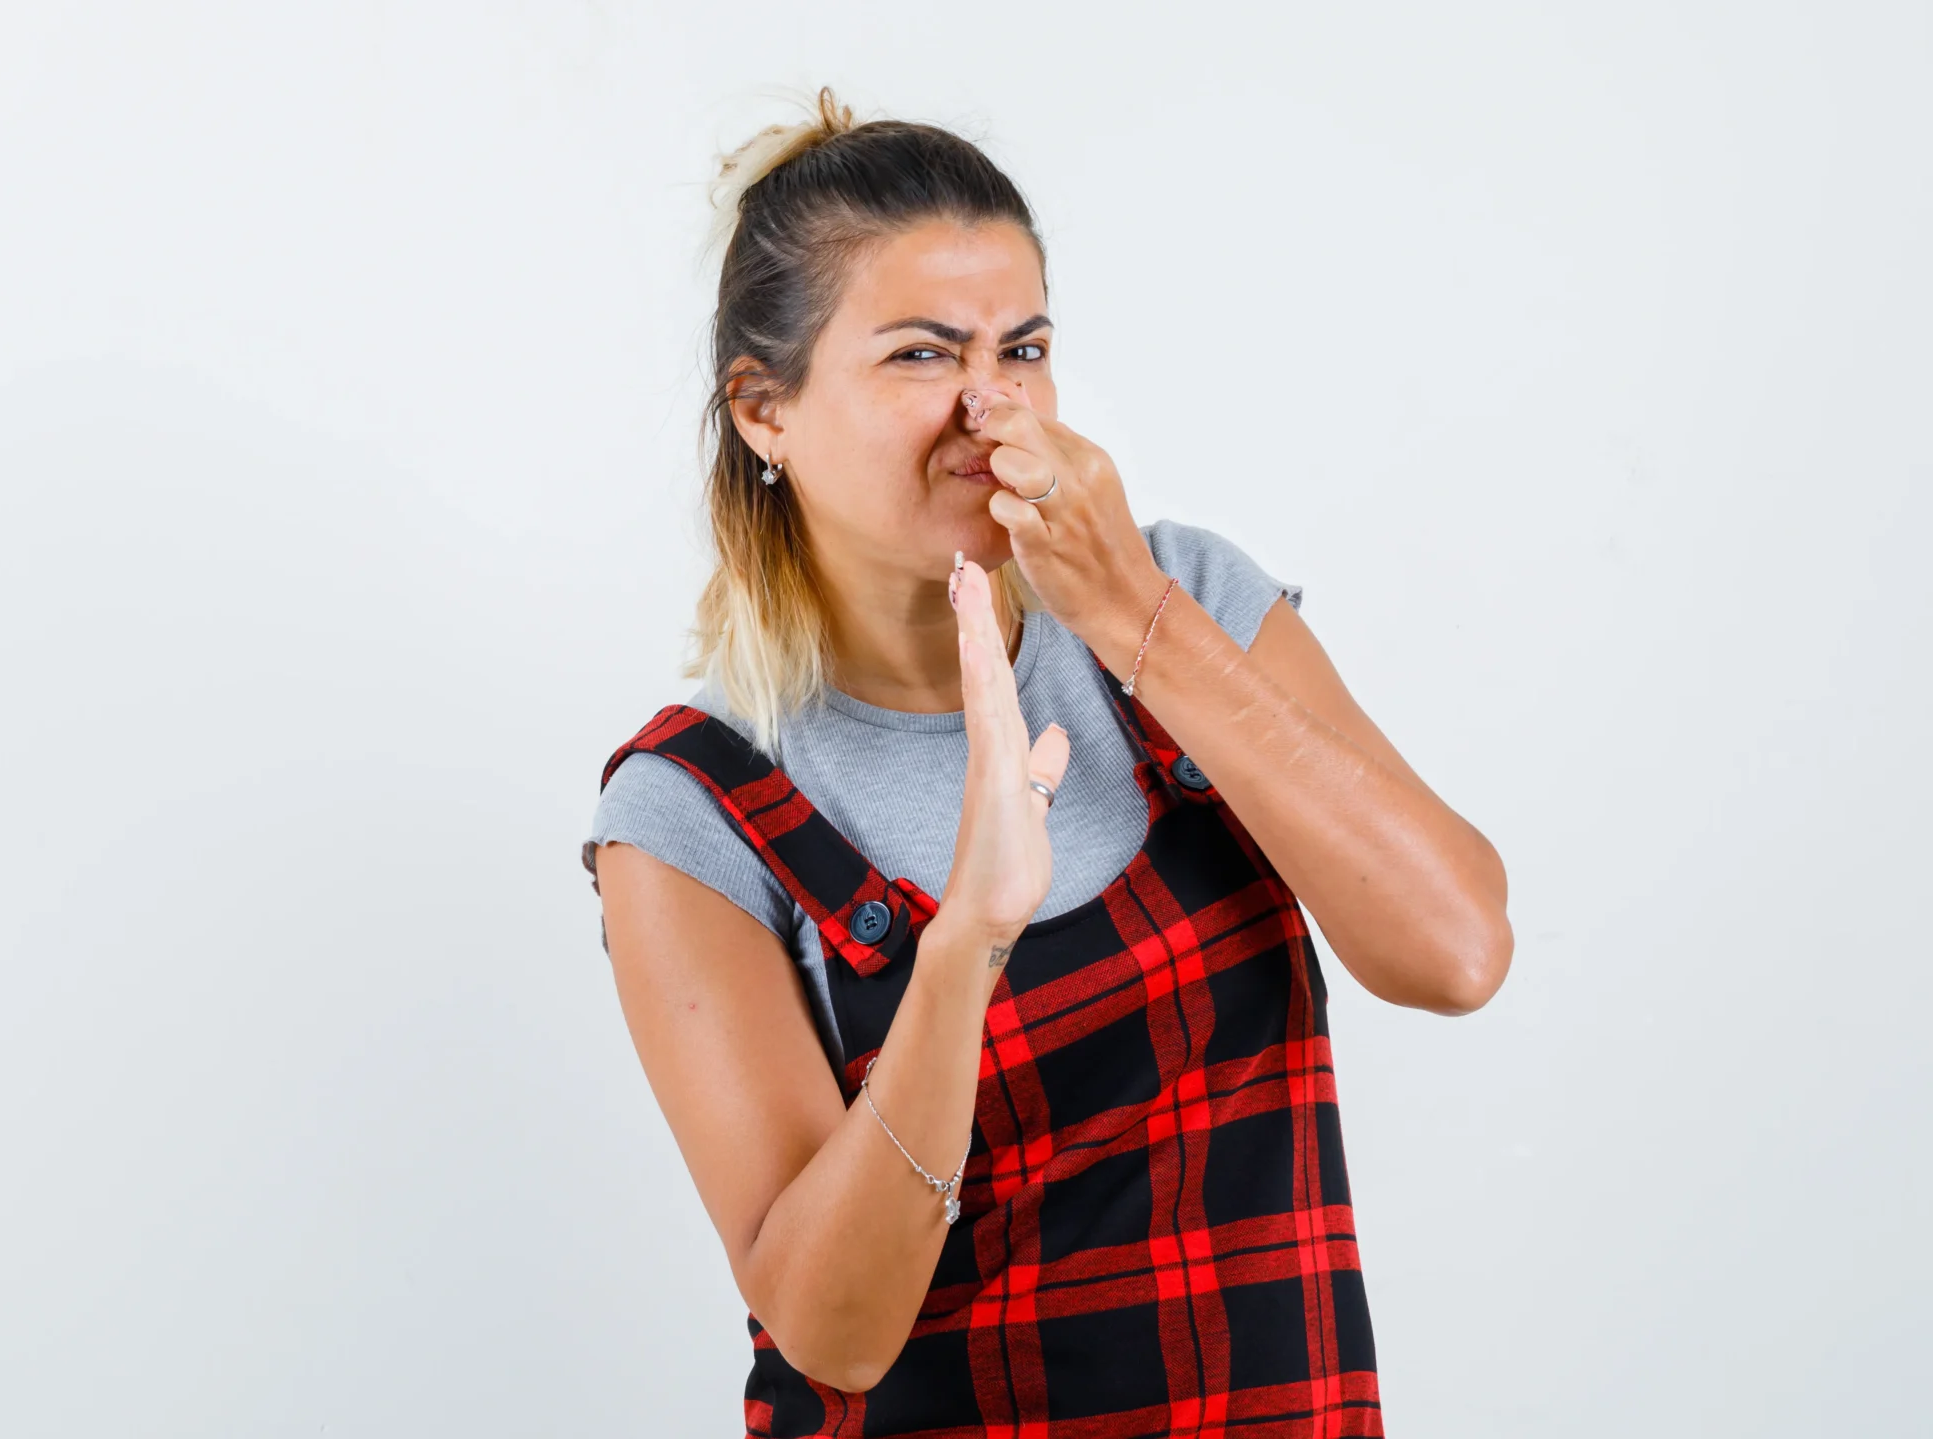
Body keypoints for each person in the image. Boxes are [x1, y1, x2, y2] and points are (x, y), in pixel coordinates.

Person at [583, 88, 1515, 1434]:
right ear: (763, 410)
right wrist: (965, 938)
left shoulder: (1185, 599)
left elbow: (1457, 949)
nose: (986, 404)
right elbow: (832, 1333)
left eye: (1020, 347)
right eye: (919, 355)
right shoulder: (692, 813)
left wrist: (1138, 622)